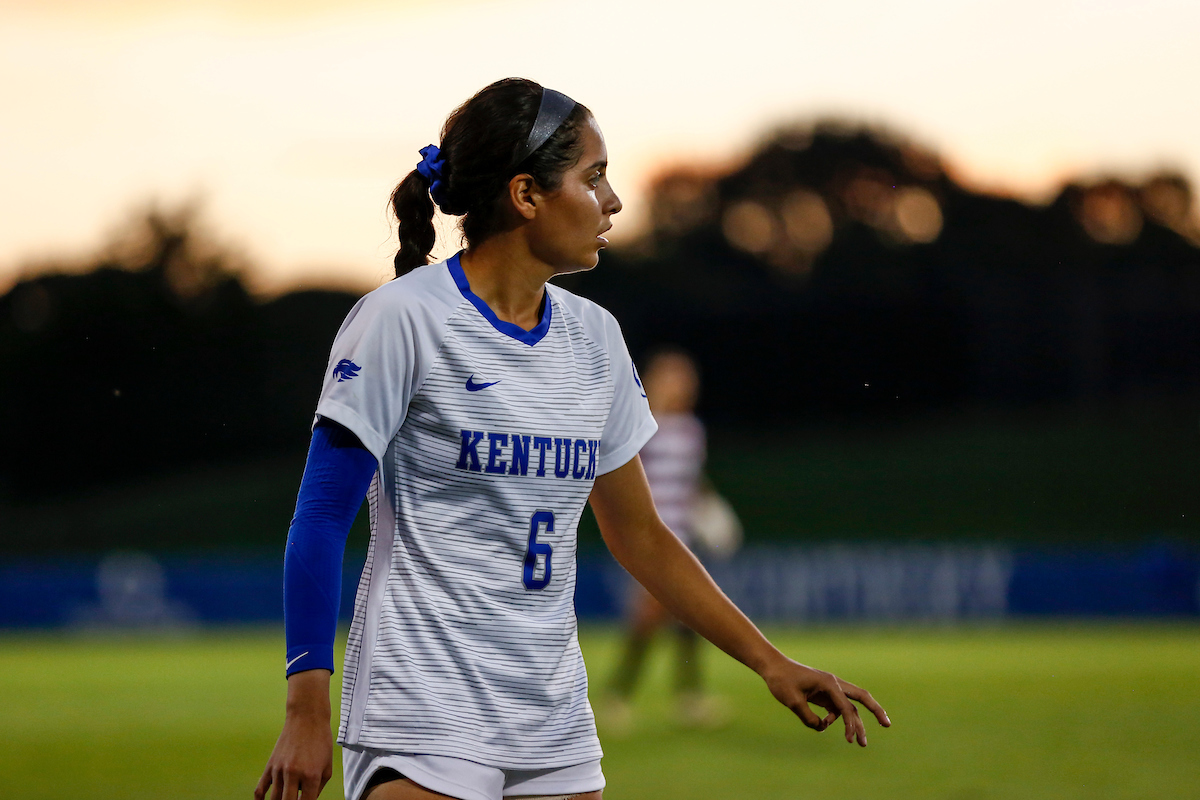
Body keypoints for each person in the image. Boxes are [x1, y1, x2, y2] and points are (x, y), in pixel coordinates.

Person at [256, 78, 889, 800]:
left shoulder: (596, 338)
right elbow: (320, 520)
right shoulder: (401, 318)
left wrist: (770, 662)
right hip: (423, 705)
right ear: (526, 194)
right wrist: (305, 711)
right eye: (594, 178)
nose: (613, 201)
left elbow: (641, 535)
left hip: (552, 717)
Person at [605, 347, 737, 730]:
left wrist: (710, 509)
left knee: (685, 613)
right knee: (653, 614)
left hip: (682, 537)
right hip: (651, 538)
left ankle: (685, 698)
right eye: (674, 377)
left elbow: (691, 481)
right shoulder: (641, 425)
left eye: (686, 378)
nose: (683, 385)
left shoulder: (692, 430)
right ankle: (618, 696)